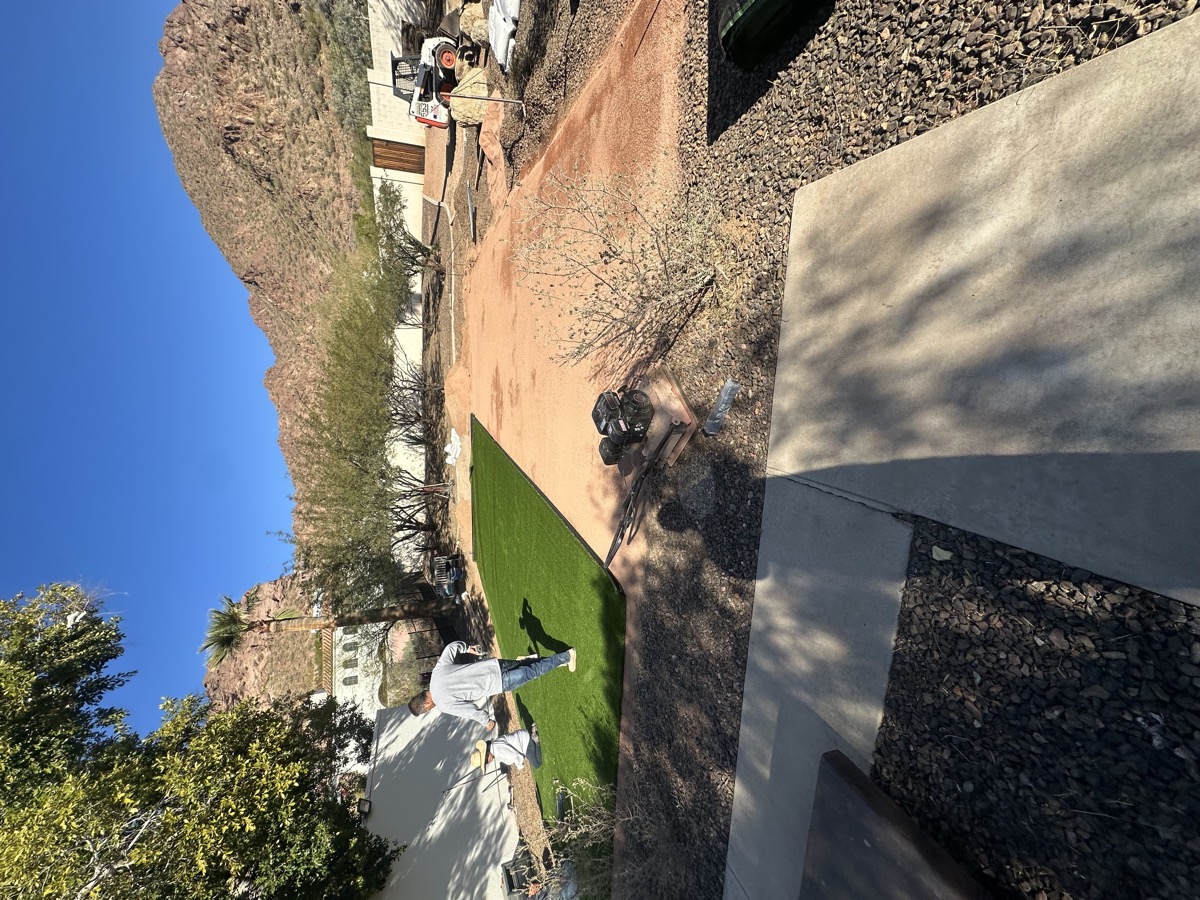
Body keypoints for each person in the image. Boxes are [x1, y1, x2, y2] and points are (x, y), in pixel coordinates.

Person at [408, 641, 575, 729]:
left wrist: (486, 721)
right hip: (494, 665)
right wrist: (468, 648)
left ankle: (566, 656)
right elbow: (451, 648)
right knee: (527, 667)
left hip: (497, 682)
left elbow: (470, 711)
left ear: (426, 704)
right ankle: (557, 661)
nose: (430, 710)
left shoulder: (443, 704)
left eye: (427, 710)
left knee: (532, 671)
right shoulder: (436, 674)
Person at [470, 723, 543, 772]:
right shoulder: (493, 746)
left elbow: (514, 755)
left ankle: (535, 740)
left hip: (524, 742)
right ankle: (530, 731)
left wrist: (519, 765)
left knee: (537, 764)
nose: (488, 762)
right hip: (521, 737)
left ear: (486, 754)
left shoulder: (497, 750)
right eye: (486, 762)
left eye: (486, 760)